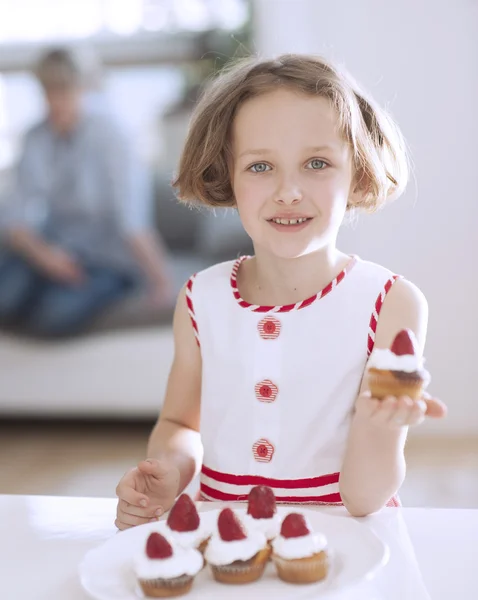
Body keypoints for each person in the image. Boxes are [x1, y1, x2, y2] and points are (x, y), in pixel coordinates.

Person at [115, 54, 447, 527]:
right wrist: (170, 468)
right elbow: (179, 425)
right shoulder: (199, 298)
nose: (288, 190)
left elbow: (363, 498)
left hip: (345, 543)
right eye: (260, 166)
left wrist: (380, 425)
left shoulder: (391, 302)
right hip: (222, 532)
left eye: (316, 163)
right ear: (225, 172)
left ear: (358, 171)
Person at [0, 47, 173, 337]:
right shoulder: (36, 137)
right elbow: (16, 216)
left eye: (64, 90)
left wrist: (162, 281)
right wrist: (47, 257)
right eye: (48, 91)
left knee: (52, 318)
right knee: (6, 299)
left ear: (84, 87)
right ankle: (43, 284)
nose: (56, 102)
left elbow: (132, 222)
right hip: (55, 249)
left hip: (107, 259)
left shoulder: (113, 136)